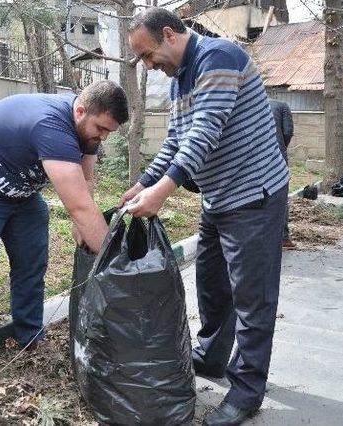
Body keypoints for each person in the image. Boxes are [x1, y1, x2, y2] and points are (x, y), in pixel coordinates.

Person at [122, 8, 289, 426]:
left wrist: (163, 190)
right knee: (212, 285)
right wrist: (144, 182)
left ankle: (247, 390)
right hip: (218, 197)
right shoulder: (180, 78)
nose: (148, 65)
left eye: (147, 55)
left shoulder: (218, 57)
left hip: (254, 197)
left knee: (253, 298)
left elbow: (206, 130)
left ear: (169, 35)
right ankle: (212, 357)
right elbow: (177, 138)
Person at [0, 81, 129, 367]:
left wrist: (83, 225)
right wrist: (115, 263)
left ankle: (29, 336)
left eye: (109, 132)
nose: (103, 137)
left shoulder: (86, 129)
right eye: (101, 129)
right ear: (80, 111)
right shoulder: (51, 126)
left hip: (20, 193)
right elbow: (77, 206)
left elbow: (85, 183)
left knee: (32, 263)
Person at [269, 99, 296, 249]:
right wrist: (281, 148)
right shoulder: (282, 106)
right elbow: (287, 132)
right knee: (279, 195)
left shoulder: (244, 104)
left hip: (250, 158)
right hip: (277, 156)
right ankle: (284, 238)